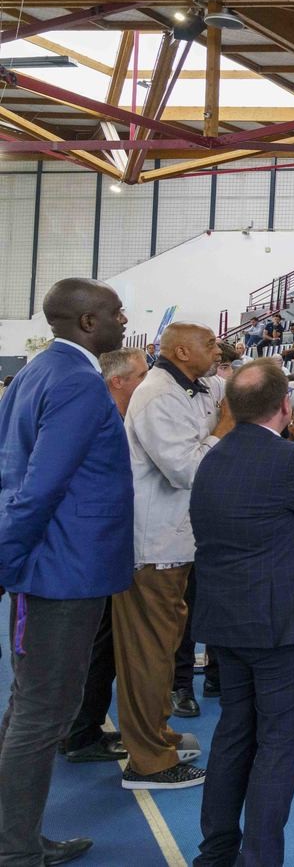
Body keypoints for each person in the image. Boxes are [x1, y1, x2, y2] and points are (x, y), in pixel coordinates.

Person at [189, 361, 294, 867]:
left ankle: (216, 852)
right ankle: (259, 858)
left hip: (228, 622)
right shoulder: (293, 461)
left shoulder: (212, 458)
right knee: (279, 747)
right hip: (286, 627)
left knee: (233, 736)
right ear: (286, 407)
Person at [0, 278, 131, 866]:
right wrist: (7, 561)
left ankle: (17, 837)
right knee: (42, 714)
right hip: (61, 572)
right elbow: (40, 486)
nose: (124, 320)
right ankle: (16, 849)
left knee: (34, 708)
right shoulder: (77, 381)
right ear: (85, 323)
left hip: (52, 566)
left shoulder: (33, 373)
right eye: (114, 312)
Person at [115, 322, 228, 791]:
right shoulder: (159, 395)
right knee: (147, 656)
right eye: (210, 344)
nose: (218, 349)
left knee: (162, 651)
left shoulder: (194, 384)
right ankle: (149, 762)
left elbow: (235, 385)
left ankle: (156, 735)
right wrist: (225, 427)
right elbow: (187, 469)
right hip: (152, 550)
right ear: (183, 351)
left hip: (175, 546)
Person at [57, 348, 146, 770]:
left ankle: (79, 727)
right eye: (142, 375)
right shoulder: (101, 422)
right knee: (94, 648)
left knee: (94, 648)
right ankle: (79, 732)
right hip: (90, 555)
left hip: (98, 553)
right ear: (118, 381)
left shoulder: (114, 419)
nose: (149, 383)